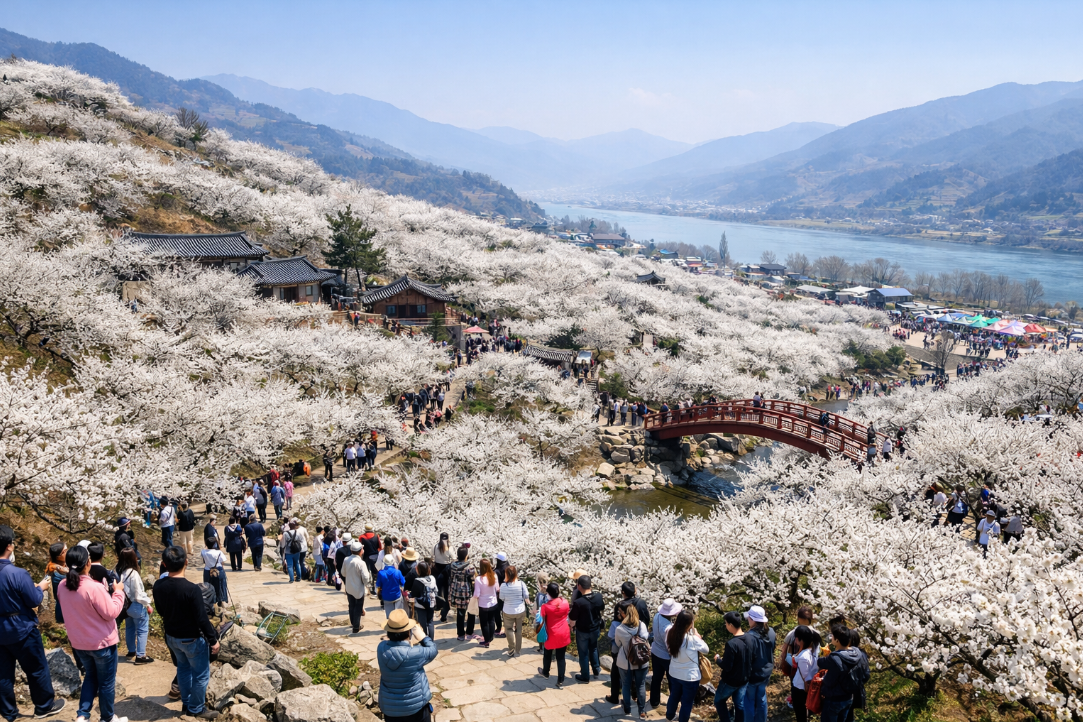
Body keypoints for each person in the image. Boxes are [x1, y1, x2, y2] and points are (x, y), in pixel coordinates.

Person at [0, 525, 66, 722]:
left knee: (3, 674)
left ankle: (8, 712)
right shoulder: (17, 573)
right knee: (36, 668)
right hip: (21, 627)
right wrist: (41, 588)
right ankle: (44, 706)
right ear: (9, 546)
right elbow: (34, 600)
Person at [56, 545, 127, 722]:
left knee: (90, 677)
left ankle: (83, 715)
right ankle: (107, 718)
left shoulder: (62, 586)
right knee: (106, 683)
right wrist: (118, 592)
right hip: (101, 643)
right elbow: (111, 612)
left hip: (79, 643)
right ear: (88, 563)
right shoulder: (93, 587)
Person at [153, 546, 220, 720]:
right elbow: (202, 619)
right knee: (201, 675)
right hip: (191, 638)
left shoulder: (158, 585)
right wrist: (213, 640)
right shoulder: (191, 589)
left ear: (164, 564)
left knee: (183, 669)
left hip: (172, 637)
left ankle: (187, 702)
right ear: (186, 562)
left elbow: (160, 611)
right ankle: (196, 709)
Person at [377, 610, 438, 722]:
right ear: (408, 632)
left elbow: (390, 645)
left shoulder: (381, 648)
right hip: (416, 708)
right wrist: (422, 637)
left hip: (390, 709)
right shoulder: (415, 653)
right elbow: (433, 650)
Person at [816, 627, 869, 722]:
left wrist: (823, 681)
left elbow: (828, 679)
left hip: (834, 699)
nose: (831, 637)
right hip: (849, 697)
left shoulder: (835, 658)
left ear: (837, 640)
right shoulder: (857, 653)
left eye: (832, 636)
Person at [665, 609, 708, 722]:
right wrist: (697, 635)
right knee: (687, 702)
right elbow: (706, 650)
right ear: (690, 624)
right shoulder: (692, 639)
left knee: (674, 696)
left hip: (674, 673)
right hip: (690, 676)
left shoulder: (670, 633)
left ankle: (670, 716)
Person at [116, 549, 154, 664]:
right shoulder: (134, 574)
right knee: (142, 630)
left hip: (126, 606)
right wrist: (147, 604)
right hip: (136, 605)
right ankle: (141, 655)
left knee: (130, 628)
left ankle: (131, 651)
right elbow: (138, 594)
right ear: (133, 558)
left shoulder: (120, 572)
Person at [740, 605, 776, 722]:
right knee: (761, 699)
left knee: (749, 701)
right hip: (766, 672)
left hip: (752, 675)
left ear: (753, 620)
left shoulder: (748, 637)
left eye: (749, 618)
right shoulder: (771, 632)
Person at [713, 611, 750, 722]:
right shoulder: (750, 638)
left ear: (730, 625)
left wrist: (718, 660)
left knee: (719, 701)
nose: (725, 625)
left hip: (730, 681)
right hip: (744, 679)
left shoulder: (732, 644)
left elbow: (727, 666)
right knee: (739, 704)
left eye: (726, 623)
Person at [613, 604, 649, 719]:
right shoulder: (642, 625)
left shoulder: (620, 629)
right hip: (641, 661)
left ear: (624, 614)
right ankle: (642, 711)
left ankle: (627, 709)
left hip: (625, 662)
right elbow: (645, 638)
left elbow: (617, 644)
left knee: (626, 685)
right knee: (641, 685)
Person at [568, 574, 604, 682]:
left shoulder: (579, 603)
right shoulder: (598, 597)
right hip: (595, 628)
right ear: (590, 585)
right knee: (593, 648)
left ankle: (585, 676)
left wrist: (571, 626)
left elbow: (572, 618)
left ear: (579, 586)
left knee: (583, 653)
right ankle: (596, 670)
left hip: (583, 631)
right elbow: (601, 607)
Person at [537, 581, 570, 689]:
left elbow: (541, 618)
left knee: (547, 654)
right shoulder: (565, 602)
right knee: (561, 657)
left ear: (548, 593)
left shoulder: (545, 607)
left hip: (551, 633)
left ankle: (545, 672)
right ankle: (560, 680)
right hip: (563, 632)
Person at [648, 598, 681, 709]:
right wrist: (675, 656)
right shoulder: (668, 628)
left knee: (656, 678)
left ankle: (654, 701)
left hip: (655, 651)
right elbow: (669, 646)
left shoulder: (657, 616)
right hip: (666, 657)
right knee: (672, 680)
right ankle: (673, 703)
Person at [790, 626, 823, 722]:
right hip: (810, 686)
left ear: (798, 639)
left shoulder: (803, 657)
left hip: (800, 688)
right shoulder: (815, 650)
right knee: (805, 712)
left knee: (800, 714)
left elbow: (805, 675)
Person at [497, 565, 530, 657]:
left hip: (508, 610)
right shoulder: (521, 584)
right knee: (519, 629)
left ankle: (511, 648)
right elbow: (526, 595)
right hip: (520, 610)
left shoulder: (503, 585)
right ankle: (518, 650)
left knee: (508, 629)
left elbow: (501, 598)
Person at [342, 542, 371, 634]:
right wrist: (367, 584)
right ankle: (356, 626)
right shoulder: (361, 563)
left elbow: (343, 573)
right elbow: (365, 577)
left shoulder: (346, 560)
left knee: (351, 605)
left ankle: (353, 622)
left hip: (349, 587)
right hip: (358, 588)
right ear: (360, 551)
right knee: (358, 607)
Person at [448, 547, 477, 641]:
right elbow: (473, 579)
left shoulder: (453, 565)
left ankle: (460, 634)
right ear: (466, 555)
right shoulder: (470, 567)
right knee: (471, 611)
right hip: (467, 592)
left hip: (456, 590)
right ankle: (469, 632)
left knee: (460, 613)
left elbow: (451, 577)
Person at [471, 559, 500, 648]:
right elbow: (497, 589)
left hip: (483, 604)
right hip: (493, 602)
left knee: (484, 623)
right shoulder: (494, 576)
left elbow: (476, 594)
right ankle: (490, 637)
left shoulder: (479, 579)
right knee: (491, 621)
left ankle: (486, 641)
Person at [410, 562, 438, 640]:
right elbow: (436, 590)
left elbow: (414, 594)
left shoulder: (417, 580)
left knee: (422, 624)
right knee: (430, 622)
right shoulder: (432, 578)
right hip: (431, 603)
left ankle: (424, 641)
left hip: (420, 605)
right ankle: (431, 641)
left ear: (419, 570)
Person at [200, 538, 229, 610]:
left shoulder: (203, 552)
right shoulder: (219, 552)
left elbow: (203, 561)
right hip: (218, 569)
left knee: (208, 585)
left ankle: (212, 601)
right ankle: (221, 600)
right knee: (220, 586)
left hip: (208, 570)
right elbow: (222, 562)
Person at [432, 533, 452, 623]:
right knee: (447, 591)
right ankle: (445, 610)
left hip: (437, 569)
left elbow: (432, 556)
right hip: (446, 570)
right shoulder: (450, 547)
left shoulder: (435, 546)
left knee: (437, 589)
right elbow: (454, 558)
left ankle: (438, 605)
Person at [46, 543, 68, 625]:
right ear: (58, 557)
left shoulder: (64, 565)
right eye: (64, 552)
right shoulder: (56, 572)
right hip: (63, 607)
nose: (67, 553)